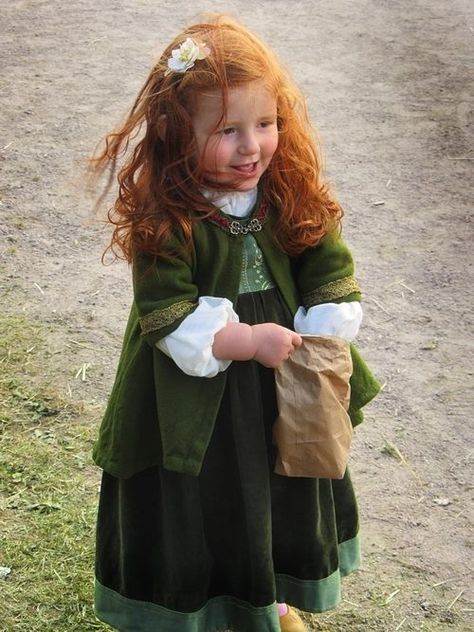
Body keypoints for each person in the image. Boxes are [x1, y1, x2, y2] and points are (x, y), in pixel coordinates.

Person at [89, 14, 380, 632]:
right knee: (208, 494)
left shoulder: (287, 190)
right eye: (227, 131)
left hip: (285, 381)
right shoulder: (167, 218)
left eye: (266, 124)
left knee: (278, 481)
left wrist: (325, 321)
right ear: (176, 133)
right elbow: (167, 313)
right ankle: (194, 607)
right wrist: (247, 340)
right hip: (192, 392)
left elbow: (327, 262)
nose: (253, 147)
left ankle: (267, 597)